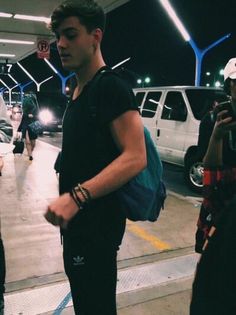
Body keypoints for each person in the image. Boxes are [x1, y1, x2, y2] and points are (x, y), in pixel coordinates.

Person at [44, 1, 146, 314]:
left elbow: (135, 156)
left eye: (71, 35)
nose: (61, 44)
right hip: (76, 231)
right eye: (59, 36)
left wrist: (76, 197)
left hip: (97, 233)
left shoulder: (111, 88)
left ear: (95, 36)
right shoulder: (76, 91)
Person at [190, 58, 236, 314]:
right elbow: (208, 168)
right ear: (229, 86)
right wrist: (218, 135)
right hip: (221, 202)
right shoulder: (213, 118)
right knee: (218, 260)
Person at [17, 93, 38, 161]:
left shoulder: (36, 110)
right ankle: (30, 155)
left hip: (33, 126)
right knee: (28, 141)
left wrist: (33, 116)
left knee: (33, 143)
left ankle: (30, 152)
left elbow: (38, 117)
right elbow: (23, 119)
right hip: (26, 127)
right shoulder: (25, 112)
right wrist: (19, 129)